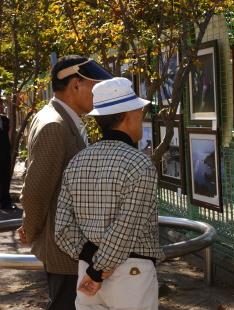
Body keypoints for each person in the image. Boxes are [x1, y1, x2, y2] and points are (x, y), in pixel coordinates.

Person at [55, 77, 164, 310]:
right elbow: (126, 227)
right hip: (130, 272)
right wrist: (98, 271)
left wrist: (92, 261)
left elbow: (62, 227)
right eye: (140, 112)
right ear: (129, 115)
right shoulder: (139, 164)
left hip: (87, 268)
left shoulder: (77, 161)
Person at [19, 55, 113, 310]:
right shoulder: (55, 125)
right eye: (95, 86)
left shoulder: (64, 118)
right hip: (63, 249)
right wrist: (31, 229)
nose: (98, 94)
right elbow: (36, 190)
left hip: (70, 246)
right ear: (75, 85)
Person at [0, 104, 14, 210]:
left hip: (5, 153)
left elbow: (8, 136)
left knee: (5, 176)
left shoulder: (5, 120)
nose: (2, 106)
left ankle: (6, 202)